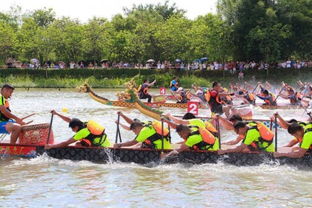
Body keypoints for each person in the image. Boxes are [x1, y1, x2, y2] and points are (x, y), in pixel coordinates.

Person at [45, 110, 110, 149]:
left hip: (102, 147)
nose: (72, 130)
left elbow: (66, 143)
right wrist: (57, 114)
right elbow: (69, 120)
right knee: (79, 144)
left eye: (72, 129)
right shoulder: (85, 124)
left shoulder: (81, 133)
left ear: (76, 127)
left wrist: (52, 146)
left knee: (77, 144)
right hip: (107, 144)